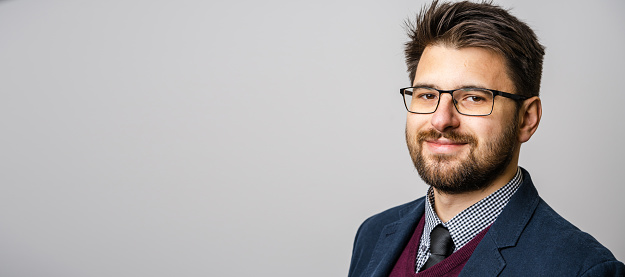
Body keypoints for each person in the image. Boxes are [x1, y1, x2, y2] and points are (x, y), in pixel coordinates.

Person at [348, 1, 624, 276]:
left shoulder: (581, 269)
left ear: (526, 118)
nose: (441, 119)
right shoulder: (373, 234)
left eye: (473, 98)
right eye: (428, 95)